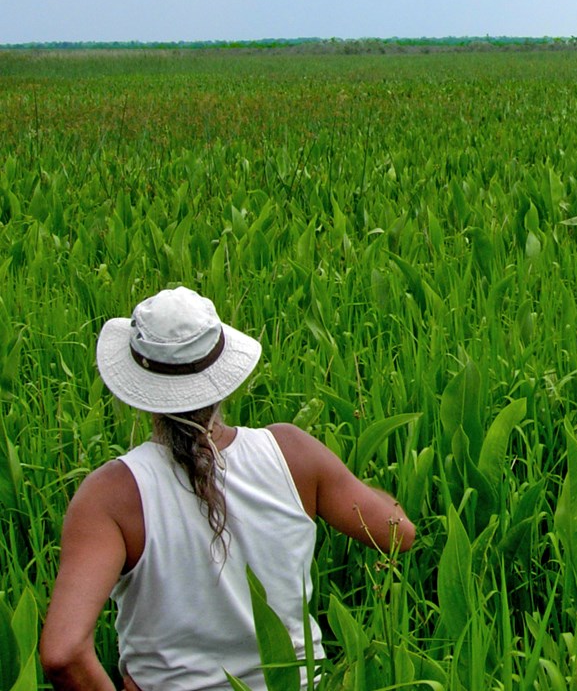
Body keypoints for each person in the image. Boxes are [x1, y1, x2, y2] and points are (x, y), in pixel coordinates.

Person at [40, 286, 417, 691]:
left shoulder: (111, 495)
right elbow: (398, 534)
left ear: (139, 384)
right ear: (222, 371)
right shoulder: (292, 453)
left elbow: (63, 654)